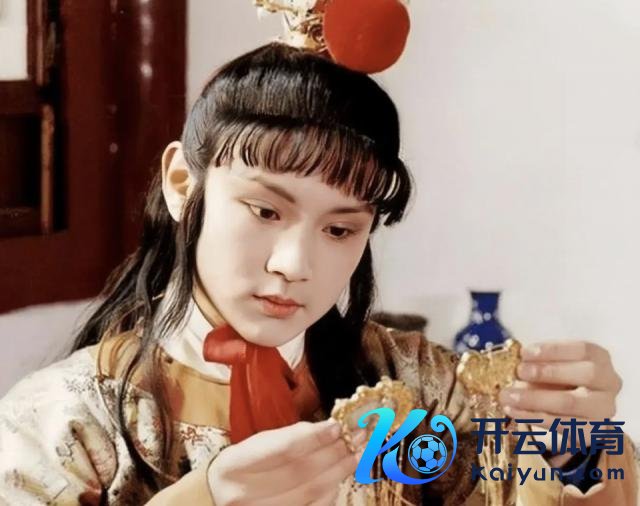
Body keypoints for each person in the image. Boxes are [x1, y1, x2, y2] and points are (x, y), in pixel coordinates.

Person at [0, 3, 638, 505]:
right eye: (265, 211)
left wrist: (579, 447)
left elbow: (516, 484)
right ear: (181, 183)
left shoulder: (419, 391)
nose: (294, 265)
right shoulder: (60, 421)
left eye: (339, 230)